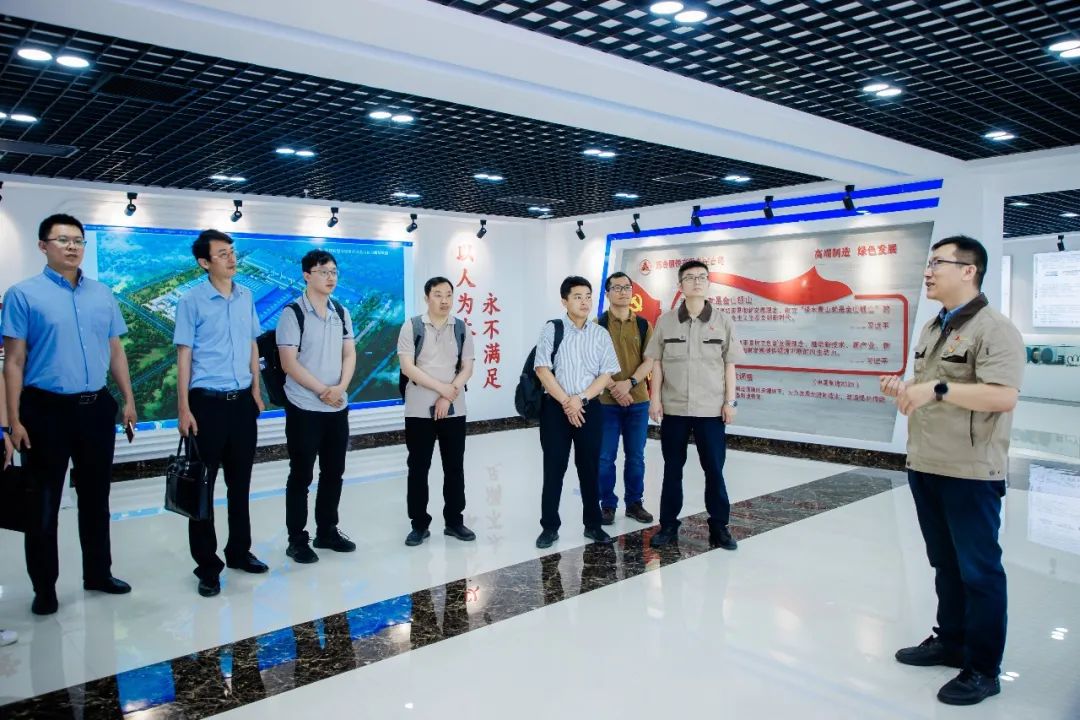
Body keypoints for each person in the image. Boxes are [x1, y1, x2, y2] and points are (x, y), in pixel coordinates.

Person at [881, 235, 1024, 707]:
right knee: (944, 563)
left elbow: (1002, 396)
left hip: (970, 471)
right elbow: (931, 387)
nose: (928, 271)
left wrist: (937, 389)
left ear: (968, 270)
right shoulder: (933, 326)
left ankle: (983, 668)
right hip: (926, 463)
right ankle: (952, 640)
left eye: (937, 263)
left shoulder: (994, 329)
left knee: (979, 572)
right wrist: (906, 389)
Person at [2, 213, 137, 615]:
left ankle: (98, 573)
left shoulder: (102, 293)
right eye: (62, 240)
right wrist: (13, 421)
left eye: (78, 240)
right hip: (45, 411)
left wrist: (128, 399)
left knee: (96, 499)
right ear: (43, 246)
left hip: (95, 408)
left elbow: (116, 350)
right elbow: (13, 361)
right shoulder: (23, 295)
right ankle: (45, 588)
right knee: (43, 504)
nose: (72, 246)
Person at [174, 229, 267, 598]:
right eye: (222, 253)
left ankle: (240, 552)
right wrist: (183, 407)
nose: (231, 258)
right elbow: (184, 355)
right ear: (204, 262)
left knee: (240, 485)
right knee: (203, 488)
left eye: (232, 251)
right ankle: (207, 567)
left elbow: (252, 344)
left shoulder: (246, 296)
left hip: (242, 402)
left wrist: (256, 390)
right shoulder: (191, 301)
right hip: (206, 404)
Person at [645, 259, 744, 551]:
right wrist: (654, 399)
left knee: (714, 469)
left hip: (710, 411)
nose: (696, 281)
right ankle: (668, 525)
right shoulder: (665, 321)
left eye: (702, 277)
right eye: (690, 277)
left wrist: (730, 402)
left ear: (708, 283)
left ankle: (719, 526)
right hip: (674, 409)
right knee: (672, 469)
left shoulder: (723, 321)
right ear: (680, 285)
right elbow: (657, 363)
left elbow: (729, 365)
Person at [277, 250, 357, 563]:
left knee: (334, 472)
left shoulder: (341, 312)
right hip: (304, 407)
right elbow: (288, 363)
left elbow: (349, 354)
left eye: (334, 272)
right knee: (301, 475)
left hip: (337, 407)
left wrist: (340, 388)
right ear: (307, 275)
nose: (330, 277)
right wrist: (323, 390)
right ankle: (297, 540)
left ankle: (327, 531)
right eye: (323, 272)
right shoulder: (292, 313)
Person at [533, 276, 621, 549]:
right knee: (554, 468)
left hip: (589, 407)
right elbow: (542, 369)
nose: (584, 302)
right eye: (577, 297)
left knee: (590, 468)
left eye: (588, 296)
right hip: (555, 409)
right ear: (564, 301)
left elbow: (606, 373)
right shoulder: (552, 329)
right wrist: (566, 402)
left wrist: (580, 399)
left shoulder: (600, 334)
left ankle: (593, 524)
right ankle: (549, 527)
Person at [397, 276, 476, 547]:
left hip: (454, 408)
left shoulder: (461, 328)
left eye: (448, 295)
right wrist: (442, 389)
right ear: (426, 297)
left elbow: (467, 367)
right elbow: (408, 368)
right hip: (419, 409)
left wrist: (448, 393)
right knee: (418, 468)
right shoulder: (412, 326)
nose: (444, 300)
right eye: (438, 295)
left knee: (454, 466)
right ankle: (419, 524)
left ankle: (454, 521)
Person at [596, 271, 655, 526]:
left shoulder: (643, 325)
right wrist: (615, 388)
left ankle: (634, 503)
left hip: (638, 402)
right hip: (605, 403)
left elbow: (649, 360)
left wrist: (628, 383)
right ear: (607, 293)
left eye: (627, 287)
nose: (623, 292)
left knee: (636, 457)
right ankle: (607, 505)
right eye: (617, 288)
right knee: (604, 457)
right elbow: (593, 363)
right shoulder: (597, 325)